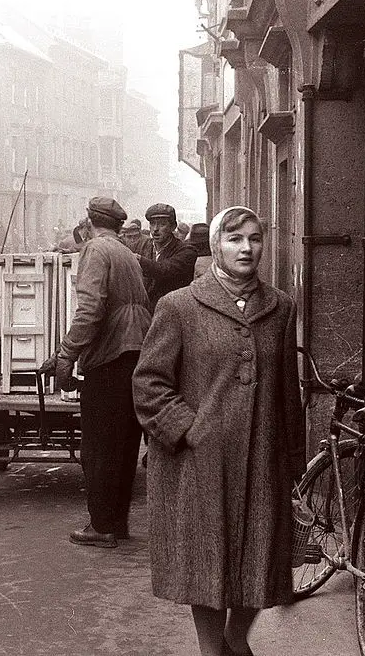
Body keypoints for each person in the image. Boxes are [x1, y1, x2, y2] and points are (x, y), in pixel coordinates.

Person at [132, 206, 304, 656]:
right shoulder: (179, 307)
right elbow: (149, 383)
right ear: (216, 246)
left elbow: (288, 390)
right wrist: (189, 430)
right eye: (235, 239)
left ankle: (235, 639)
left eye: (254, 238)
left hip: (263, 458)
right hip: (200, 465)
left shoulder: (281, 307)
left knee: (260, 558)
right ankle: (212, 649)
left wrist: (293, 460)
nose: (246, 248)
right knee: (206, 563)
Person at [40, 196, 152, 548]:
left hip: (109, 360)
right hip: (135, 354)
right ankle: (116, 523)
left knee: (99, 448)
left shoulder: (95, 250)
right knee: (124, 446)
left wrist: (66, 354)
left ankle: (101, 526)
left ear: (89, 223)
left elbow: (90, 310)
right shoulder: (126, 253)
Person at [137, 203, 197, 311]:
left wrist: (138, 259)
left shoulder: (187, 251)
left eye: (162, 224)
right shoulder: (144, 246)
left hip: (174, 312)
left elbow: (164, 269)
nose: (155, 229)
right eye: (152, 224)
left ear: (173, 227)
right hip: (146, 313)